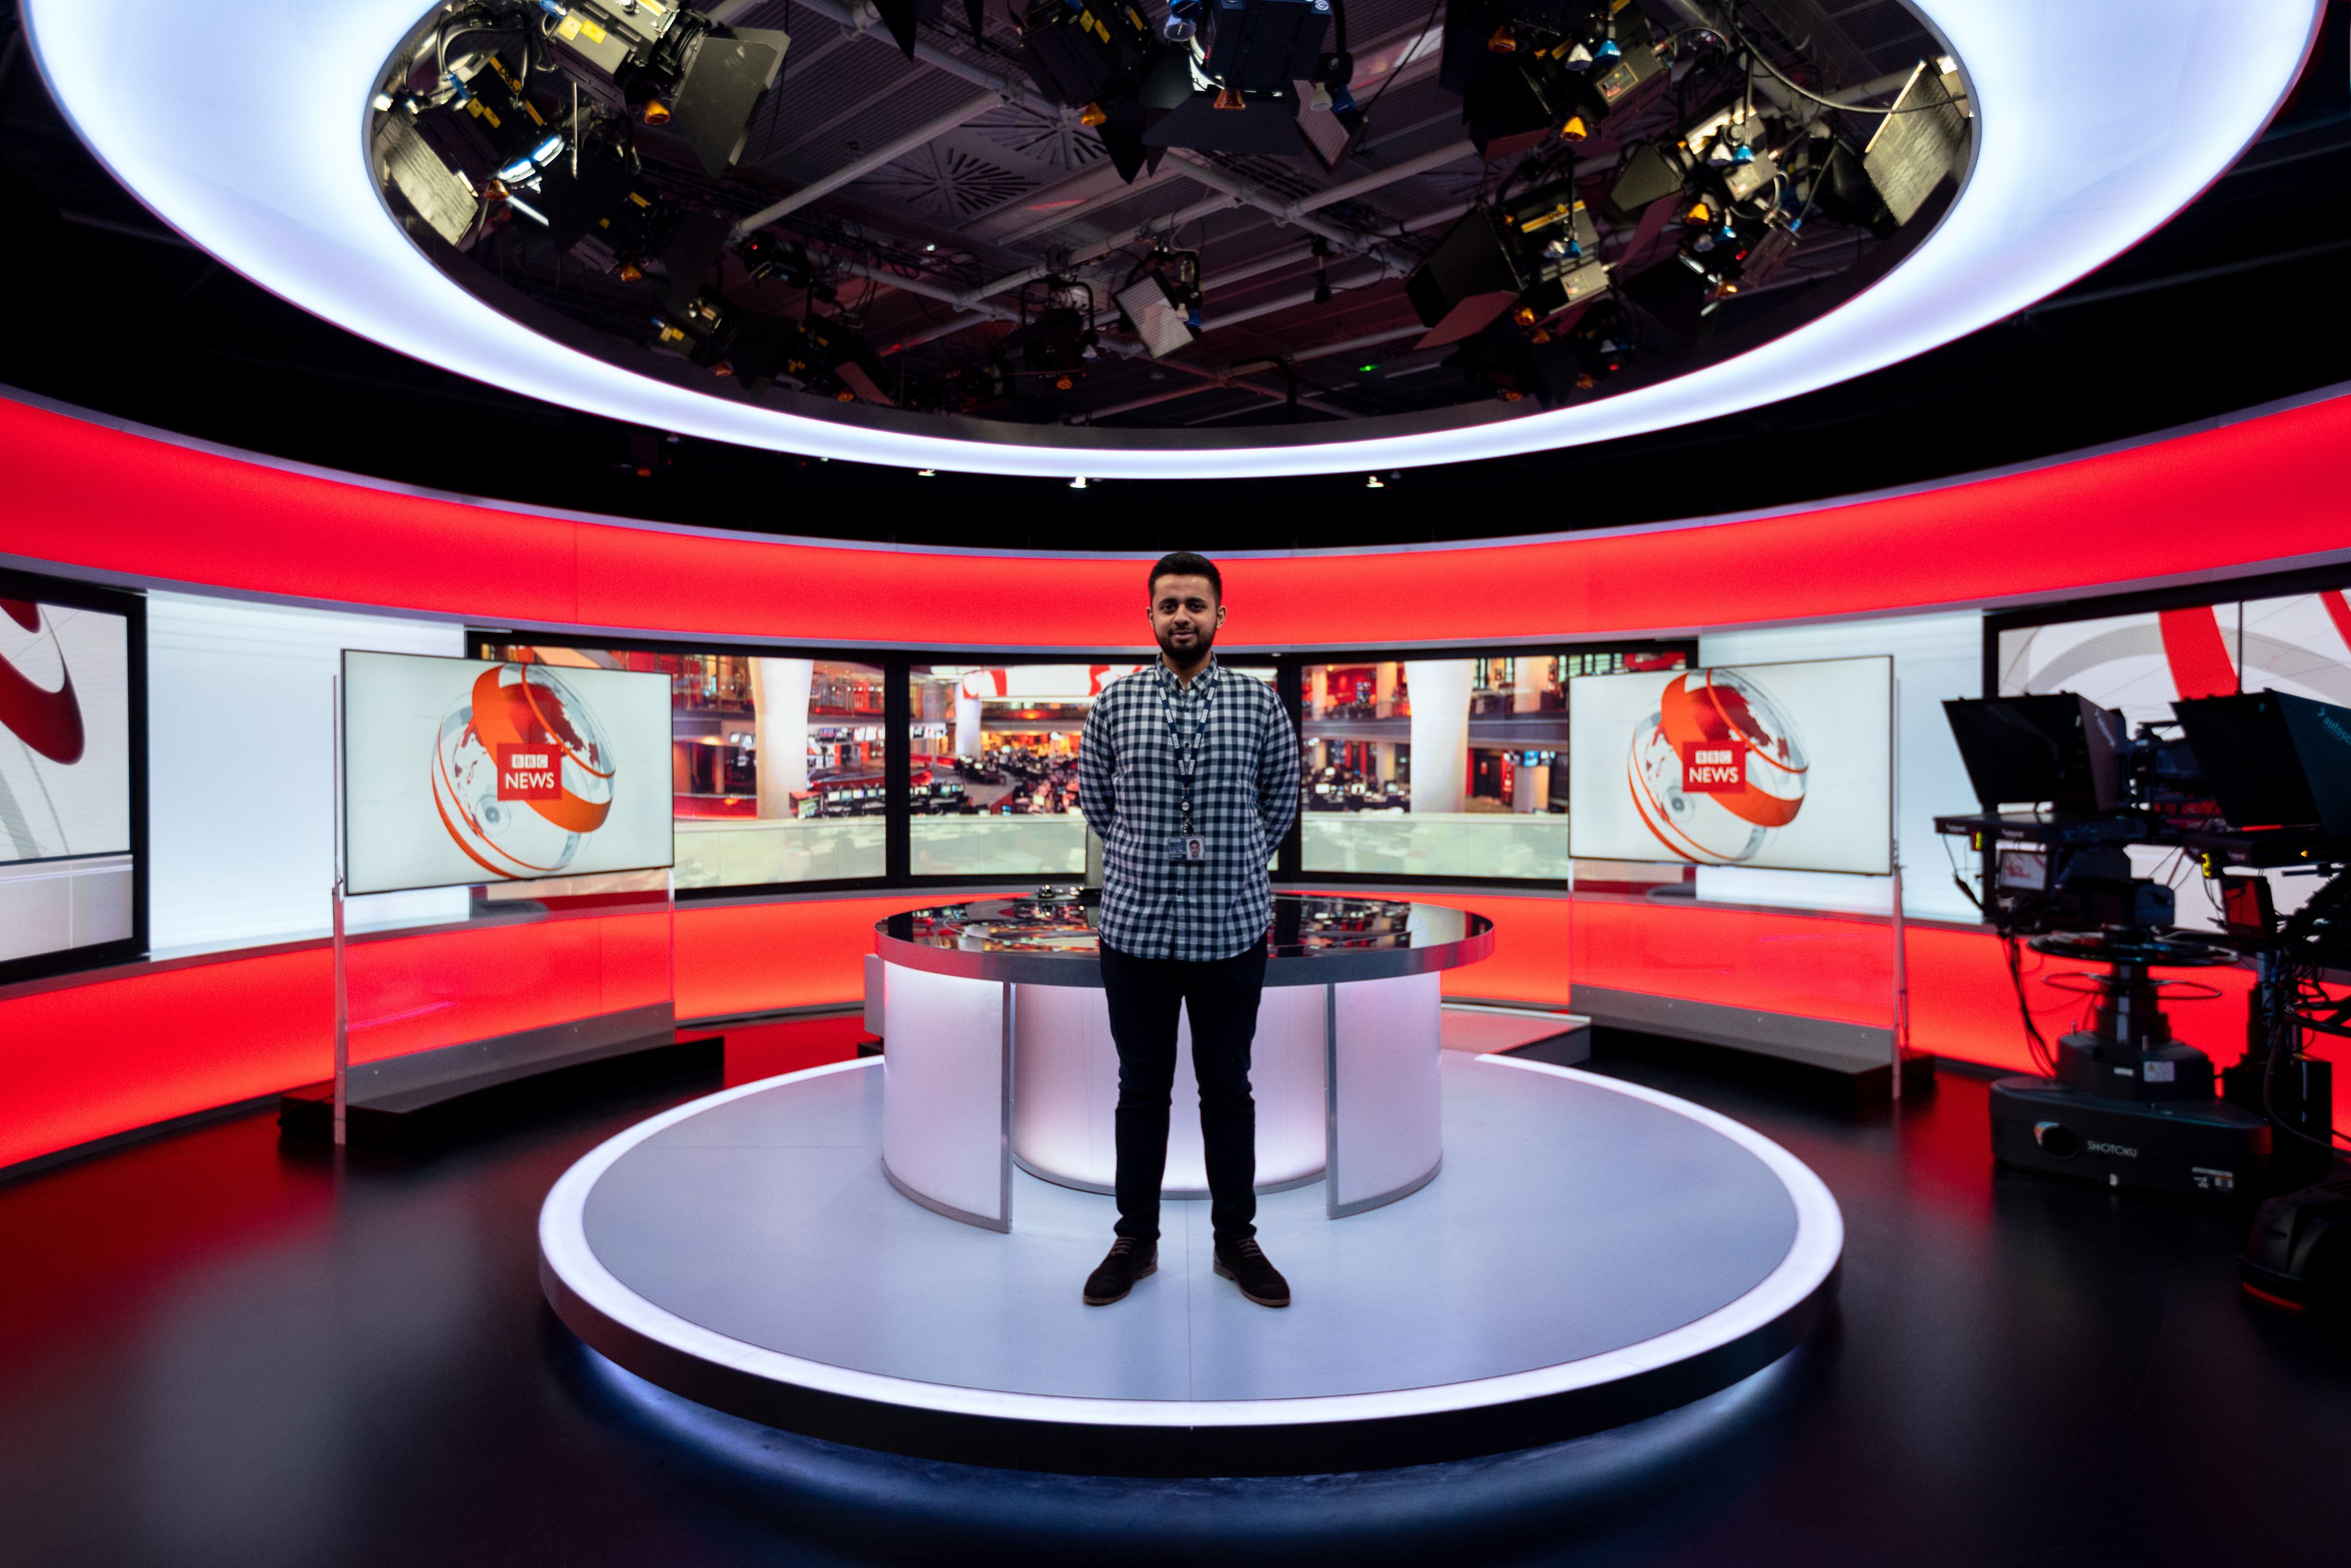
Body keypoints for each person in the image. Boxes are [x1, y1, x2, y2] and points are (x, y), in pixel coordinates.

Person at [1075, 551, 1301, 1309]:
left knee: (1227, 1090)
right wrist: (1148, 858)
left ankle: (1236, 1240)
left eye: (1195, 605)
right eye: (1168, 604)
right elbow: (1098, 807)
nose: (1181, 616)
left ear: (1219, 616)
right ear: (1149, 617)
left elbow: (1280, 802)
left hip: (1231, 931)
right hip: (1135, 932)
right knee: (1140, 1090)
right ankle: (1134, 1240)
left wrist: (1230, 856)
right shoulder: (1112, 706)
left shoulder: (1260, 704)